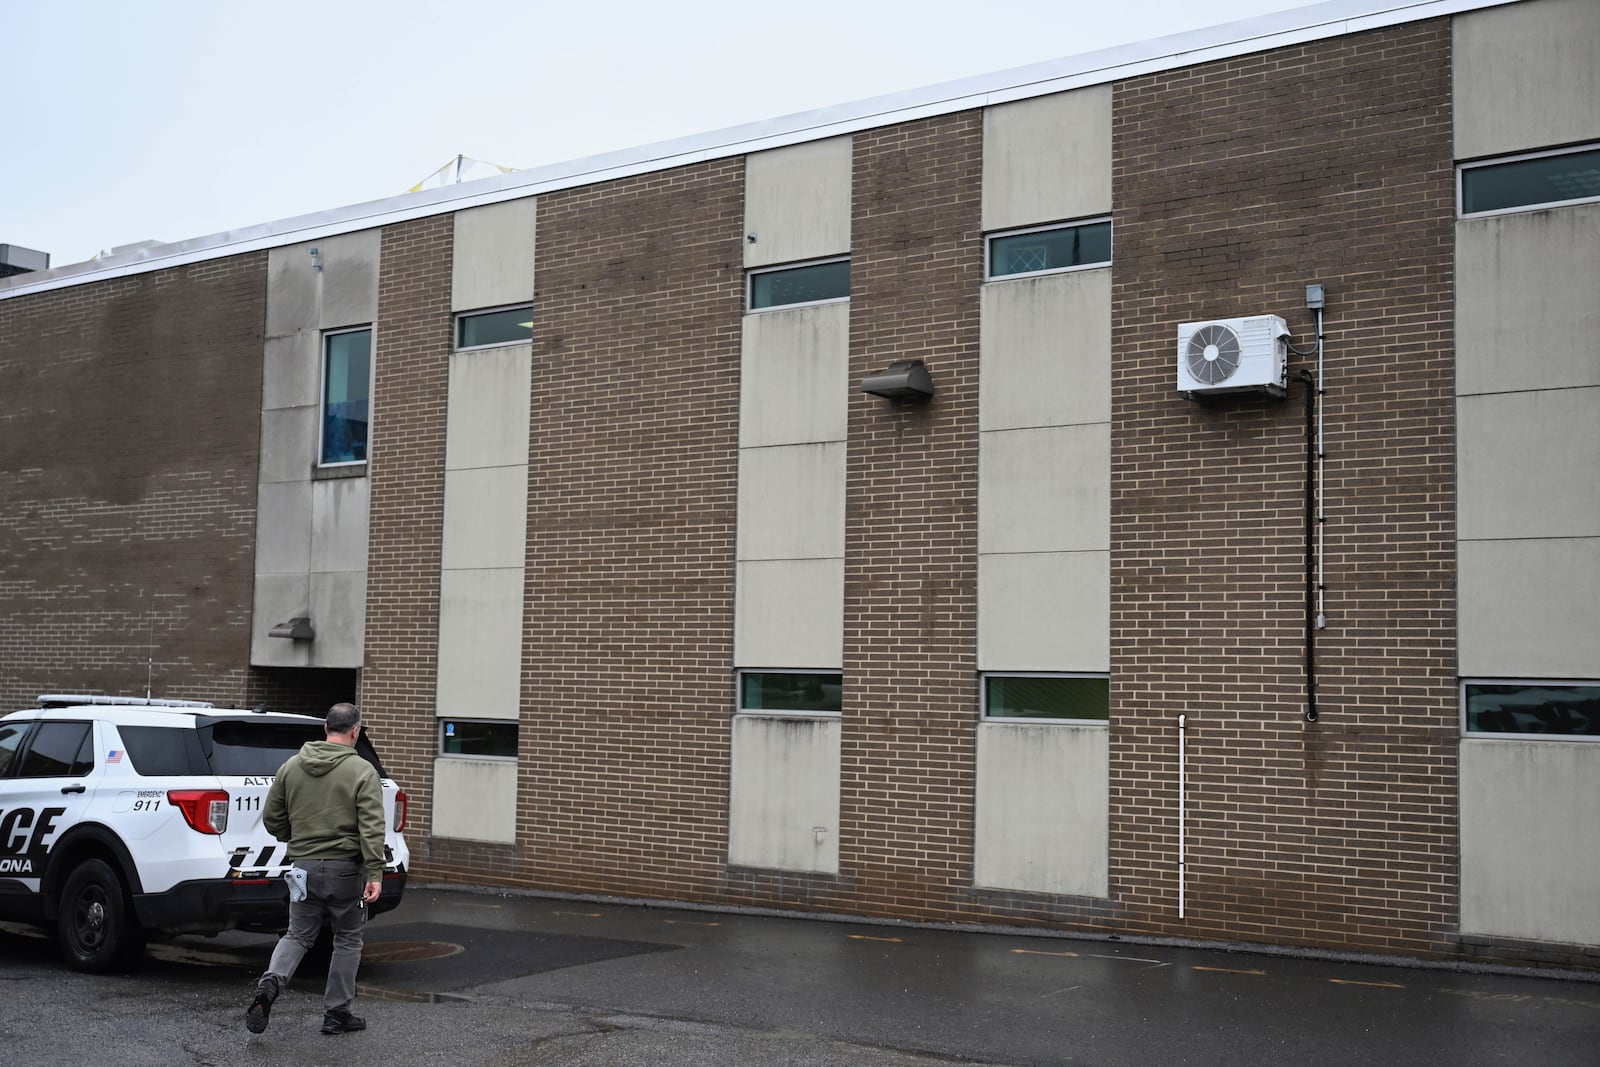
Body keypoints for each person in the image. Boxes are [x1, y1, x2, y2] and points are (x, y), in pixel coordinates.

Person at [245, 702, 386, 1036]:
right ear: (355, 732)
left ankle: (270, 984)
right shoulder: (362, 771)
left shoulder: (292, 767)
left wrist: (293, 838)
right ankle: (337, 1014)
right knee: (348, 940)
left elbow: (271, 818)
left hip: (303, 868)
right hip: (346, 872)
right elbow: (372, 827)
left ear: (325, 729)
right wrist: (376, 873)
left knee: (297, 935)